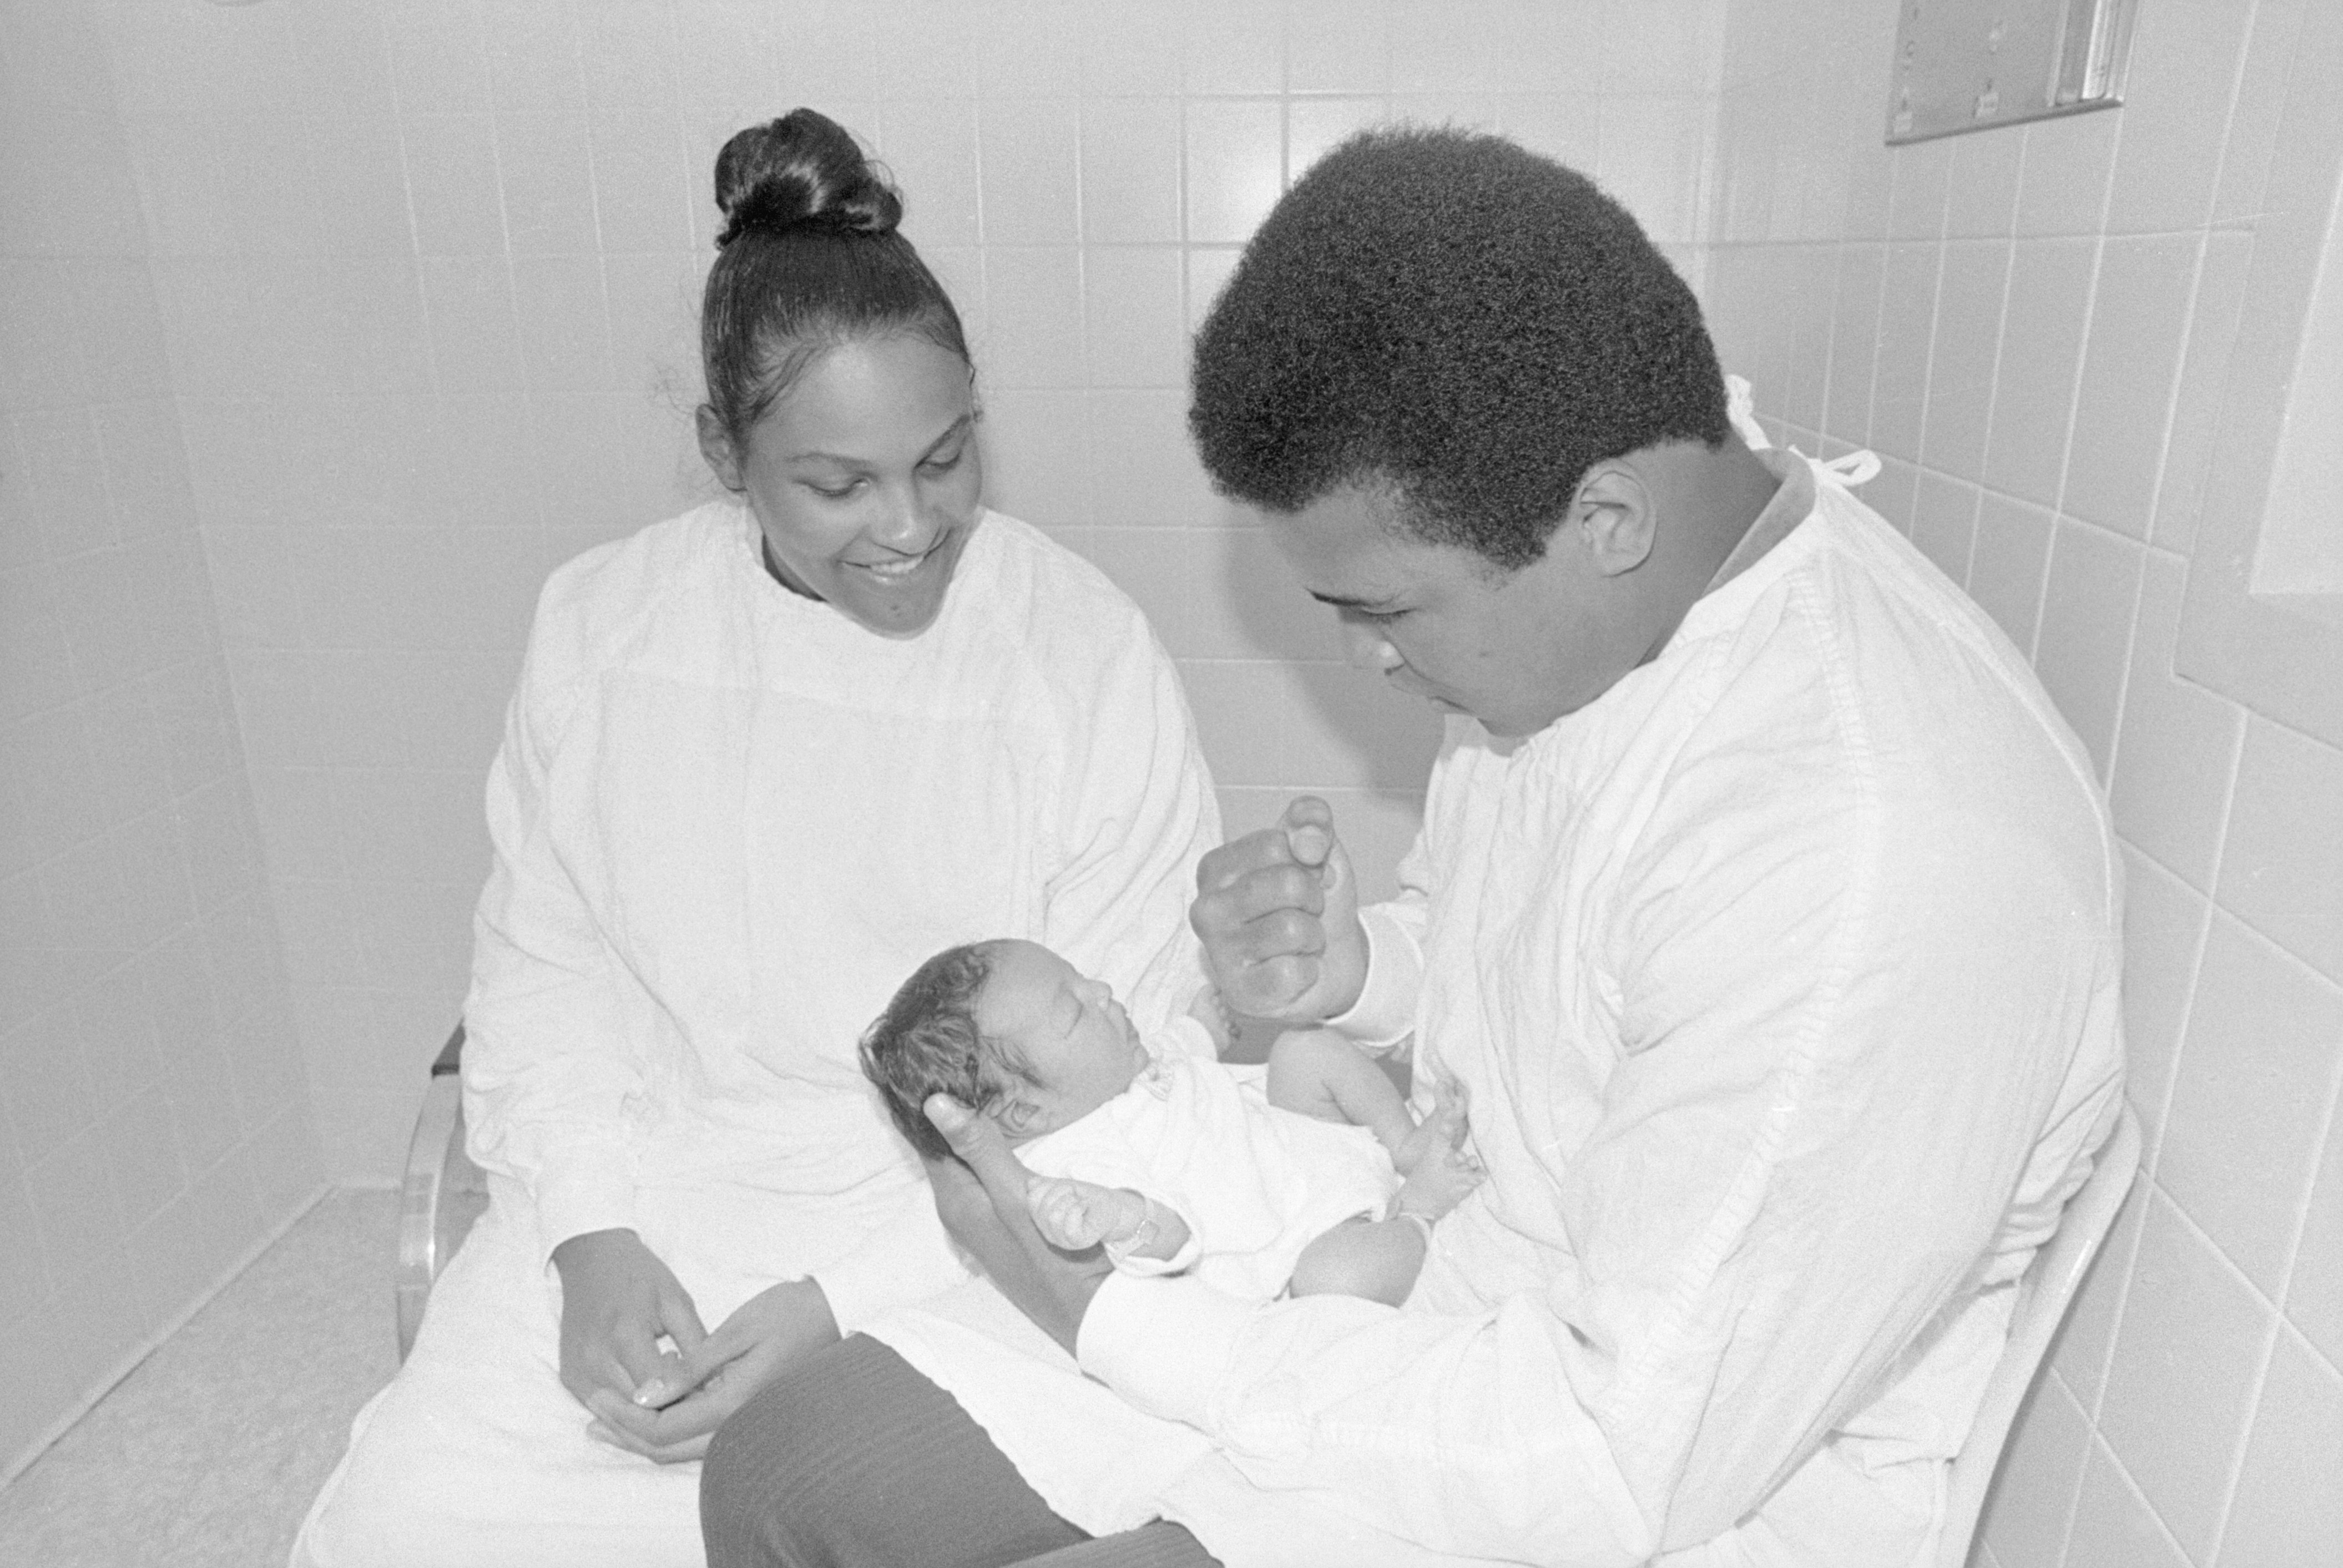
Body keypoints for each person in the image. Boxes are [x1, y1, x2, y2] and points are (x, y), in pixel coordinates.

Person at [700, 125, 2126, 1568]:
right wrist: (1358, 970)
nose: (1370, 668)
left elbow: (1588, 1469)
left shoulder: (1865, 862)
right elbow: (1540, 950)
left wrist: (1115, 1321)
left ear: (1604, 519)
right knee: (778, 1481)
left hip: (1611, 1493)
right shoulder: (1611, 582)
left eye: (1381, 611)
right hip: (1430, 1285)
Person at [290, 108, 1220, 1568]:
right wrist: (585, 1235)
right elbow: (546, 966)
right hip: (647, 1188)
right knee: (402, 1525)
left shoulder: (1079, 653)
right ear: (725, 452)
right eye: (836, 484)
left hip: (966, 1222)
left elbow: (1124, 1063)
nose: (912, 527)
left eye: (946, 454)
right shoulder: (602, 630)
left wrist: (840, 1304)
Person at [856, 937, 1482, 1309]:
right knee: (1334, 1285)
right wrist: (1118, 1217)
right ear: (1024, 1112)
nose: (1102, 991)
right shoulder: (1072, 1169)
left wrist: (1200, 1026)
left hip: (1309, 1143)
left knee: (1302, 1048)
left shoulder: (1119, 1071)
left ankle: (1402, 1141)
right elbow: (1169, 1241)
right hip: (1305, 1237)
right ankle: (1417, 1211)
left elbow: (1178, 1051)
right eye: (1075, 1010)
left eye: (1084, 980)